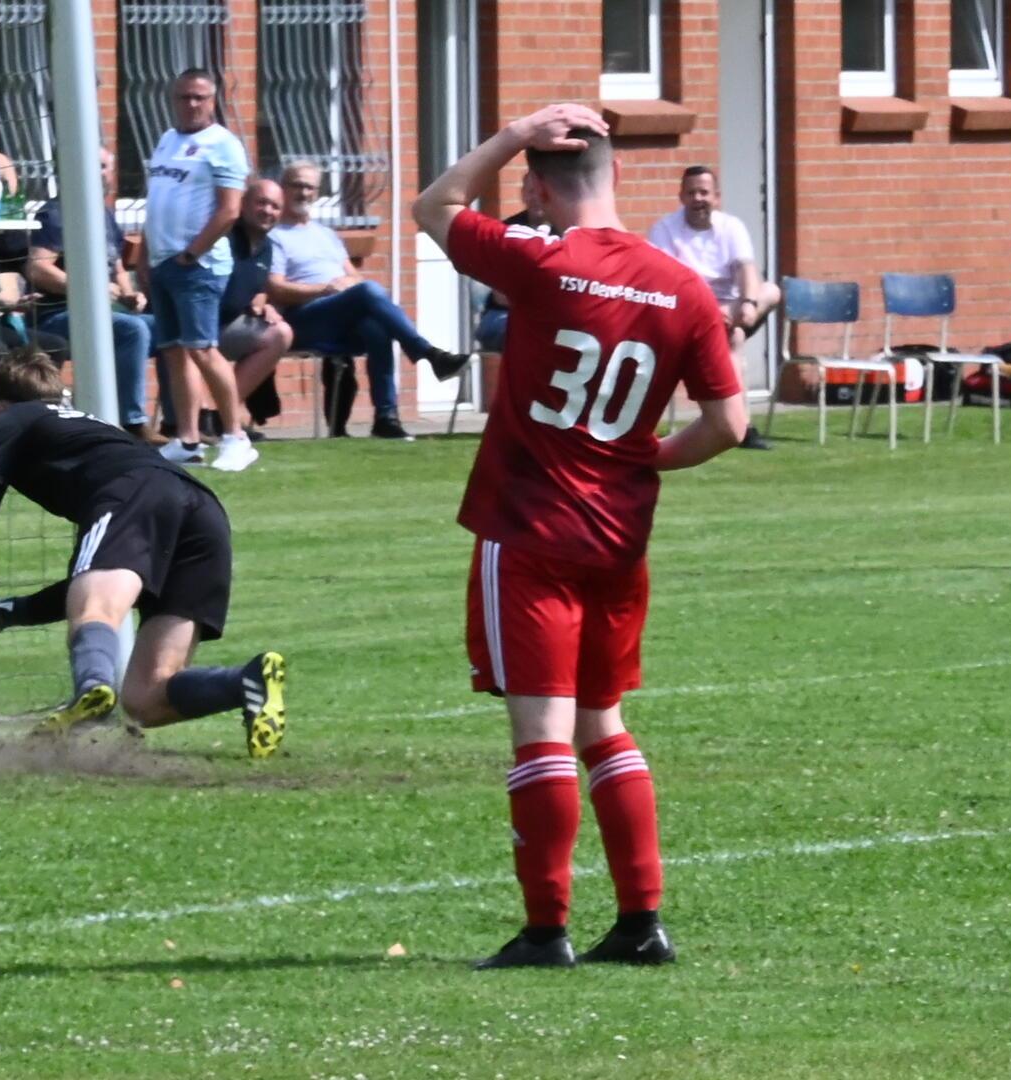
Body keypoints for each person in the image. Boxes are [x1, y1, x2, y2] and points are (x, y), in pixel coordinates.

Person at [413, 104, 748, 969]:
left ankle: (545, 930)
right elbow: (731, 424)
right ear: (619, 178)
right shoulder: (682, 286)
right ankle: (642, 922)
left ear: (535, 188)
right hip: (618, 537)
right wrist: (649, 459)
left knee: (543, 735)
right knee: (606, 724)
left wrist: (513, 132)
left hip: (530, 531)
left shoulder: (541, 258)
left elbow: (435, 207)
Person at [0, 349, 288, 757]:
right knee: (147, 696)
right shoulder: (90, 432)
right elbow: (104, 581)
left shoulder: (11, 419)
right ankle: (246, 683)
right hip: (203, 513)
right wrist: (5, 614)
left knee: (94, 613)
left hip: (136, 494)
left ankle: (91, 691)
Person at [268, 161, 471, 440]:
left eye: (310, 187)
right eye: (297, 185)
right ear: (283, 188)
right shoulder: (275, 235)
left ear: (317, 192)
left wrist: (346, 287)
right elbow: (276, 289)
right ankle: (428, 353)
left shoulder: (326, 235)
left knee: (376, 328)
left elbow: (354, 277)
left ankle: (386, 417)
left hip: (337, 315)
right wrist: (323, 289)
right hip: (302, 318)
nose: (304, 192)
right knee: (369, 292)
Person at [144, 68, 254, 471]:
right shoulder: (167, 140)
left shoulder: (223, 145)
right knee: (174, 352)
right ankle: (187, 438)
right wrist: (146, 255)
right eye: (184, 97)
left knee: (204, 350)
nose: (191, 104)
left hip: (198, 266)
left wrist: (192, 254)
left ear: (213, 101)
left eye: (199, 98)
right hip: (163, 262)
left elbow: (229, 210)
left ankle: (235, 436)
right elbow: (157, 199)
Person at [26, 147, 164, 444]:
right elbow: (38, 269)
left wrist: (129, 294)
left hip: (107, 311)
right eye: (94, 166)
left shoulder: (104, 214)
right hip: (58, 315)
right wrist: (92, 290)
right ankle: (131, 422)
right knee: (132, 329)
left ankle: (179, 425)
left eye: (104, 167)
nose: (100, 173)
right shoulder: (55, 213)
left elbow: (116, 267)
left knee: (167, 329)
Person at [646, 166, 779, 449]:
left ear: (716, 197)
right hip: (686, 310)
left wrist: (748, 302)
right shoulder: (664, 230)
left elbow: (746, 270)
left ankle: (740, 426)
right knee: (735, 338)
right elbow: (664, 281)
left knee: (771, 290)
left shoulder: (732, 227)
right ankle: (743, 428)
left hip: (731, 309)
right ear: (681, 196)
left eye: (704, 192)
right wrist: (707, 309)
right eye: (691, 192)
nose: (698, 199)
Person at [210, 176, 293, 436]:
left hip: (229, 326)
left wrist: (262, 303)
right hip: (202, 327)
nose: (268, 211)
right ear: (243, 204)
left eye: (275, 206)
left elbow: (256, 286)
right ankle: (220, 418)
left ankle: (221, 416)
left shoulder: (266, 247)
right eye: (261, 203)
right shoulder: (225, 237)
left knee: (280, 332)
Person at [476, 170, 548, 354]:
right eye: (530, 191)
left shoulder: (567, 231)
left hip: (550, 316)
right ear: (522, 194)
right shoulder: (506, 232)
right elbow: (501, 295)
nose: (535, 197)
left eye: (541, 192)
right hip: (503, 314)